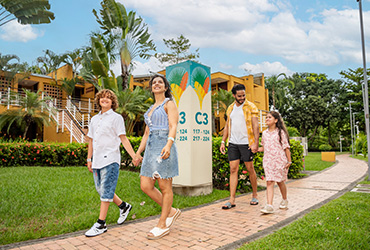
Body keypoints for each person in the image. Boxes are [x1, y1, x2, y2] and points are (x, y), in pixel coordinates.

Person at [85, 89, 138, 237]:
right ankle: (124, 206)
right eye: (102, 97)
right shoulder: (94, 119)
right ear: (98, 100)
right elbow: (91, 140)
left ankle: (101, 224)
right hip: (97, 159)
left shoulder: (116, 118)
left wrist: (134, 156)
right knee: (101, 190)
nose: (105, 99)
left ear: (112, 102)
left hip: (111, 159)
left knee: (106, 190)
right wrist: (89, 158)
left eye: (108, 98)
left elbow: (123, 138)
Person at [134, 75, 181, 240]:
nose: (156, 84)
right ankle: (172, 211)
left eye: (160, 82)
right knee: (145, 185)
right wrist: (139, 152)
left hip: (163, 145)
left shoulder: (169, 104)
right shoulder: (150, 110)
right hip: (150, 148)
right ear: (151, 88)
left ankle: (163, 224)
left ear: (165, 87)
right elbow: (146, 133)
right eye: (154, 82)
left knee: (165, 186)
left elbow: (173, 125)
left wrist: (168, 144)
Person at [220, 84, 260, 209]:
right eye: (239, 96)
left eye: (243, 95)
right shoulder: (230, 108)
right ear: (234, 95)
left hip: (246, 143)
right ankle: (232, 199)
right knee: (233, 170)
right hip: (233, 143)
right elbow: (227, 125)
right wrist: (223, 141)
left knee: (250, 169)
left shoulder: (251, 107)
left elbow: (256, 126)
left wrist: (256, 143)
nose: (242, 98)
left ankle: (255, 195)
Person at [258, 111, 291, 214]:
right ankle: (269, 205)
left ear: (276, 120)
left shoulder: (280, 133)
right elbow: (264, 147)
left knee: (280, 182)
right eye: (266, 117)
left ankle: (284, 199)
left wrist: (289, 161)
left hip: (279, 161)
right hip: (268, 161)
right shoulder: (264, 133)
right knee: (269, 181)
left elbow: (286, 147)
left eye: (269, 117)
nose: (267, 119)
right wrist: (256, 149)